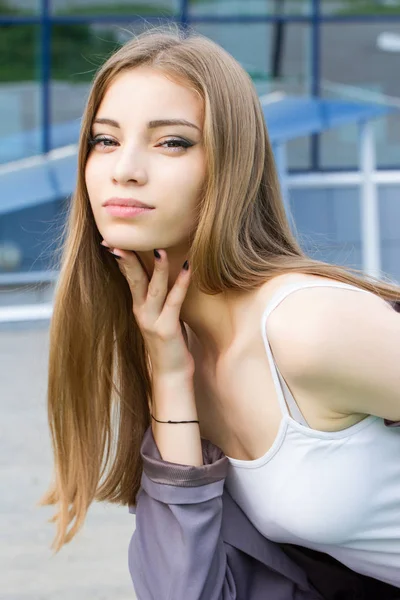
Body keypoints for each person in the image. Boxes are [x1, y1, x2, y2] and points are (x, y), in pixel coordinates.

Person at [39, 23, 400, 599]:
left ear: (229, 166)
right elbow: (187, 591)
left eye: (172, 142)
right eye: (104, 140)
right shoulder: (173, 351)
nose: (124, 168)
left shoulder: (308, 327)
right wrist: (170, 379)